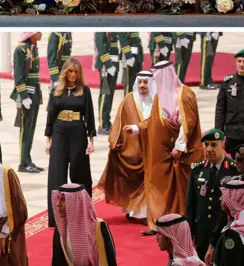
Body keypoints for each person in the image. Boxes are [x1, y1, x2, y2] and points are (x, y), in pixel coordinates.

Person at [124, 61, 202, 235]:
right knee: (156, 185)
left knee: (180, 189)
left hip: (179, 153)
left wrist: (179, 146)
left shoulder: (184, 94)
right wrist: (136, 128)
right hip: (161, 152)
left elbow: (188, 122)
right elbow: (152, 120)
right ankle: (158, 223)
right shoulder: (160, 96)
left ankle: (180, 222)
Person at [185, 129, 237, 266]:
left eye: (213, 145)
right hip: (202, 231)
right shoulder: (197, 170)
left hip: (225, 233)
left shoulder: (232, 170)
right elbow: (190, 206)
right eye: (205, 145)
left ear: (222, 144)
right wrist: (188, 234)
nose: (208, 150)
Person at [99, 71, 156, 221]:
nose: (143, 86)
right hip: (131, 149)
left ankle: (146, 214)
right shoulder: (129, 99)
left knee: (148, 180)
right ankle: (134, 211)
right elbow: (118, 122)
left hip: (151, 149)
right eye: (140, 82)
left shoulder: (157, 102)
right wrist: (114, 142)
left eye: (145, 82)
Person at [45, 58, 96, 227]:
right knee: (56, 174)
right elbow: (50, 116)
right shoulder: (56, 91)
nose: (73, 75)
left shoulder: (84, 91)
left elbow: (89, 115)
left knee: (79, 173)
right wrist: (48, 139)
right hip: (59, 131)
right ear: (65, 72)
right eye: (70, 71)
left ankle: (82, 214)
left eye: (76, 72)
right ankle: (55, 217)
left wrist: (91, 140)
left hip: (77, 131)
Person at [11, 32, 43, 173]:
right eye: (37, 32)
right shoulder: (21, 49)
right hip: (27, 94)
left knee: (31, 129)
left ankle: (28, 159)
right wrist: (23, 96)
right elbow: (18, 75)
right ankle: (23, 163)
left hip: (34, 94)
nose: (40, 34)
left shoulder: (33, 48)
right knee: (25, 130)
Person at [215, 49, 244, 158]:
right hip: (233, 134)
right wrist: (219, 132)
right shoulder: (228, 82)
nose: (241, 65)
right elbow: (220, 108)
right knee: (236, 165)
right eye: (239, 61)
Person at [93, 32, 119, 135]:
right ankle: (102, 124)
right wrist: (108, 65)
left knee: (110, 94)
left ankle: (107, 121)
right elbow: (101, 47)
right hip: (106, 66)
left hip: (114, 64)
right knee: (105, 95)